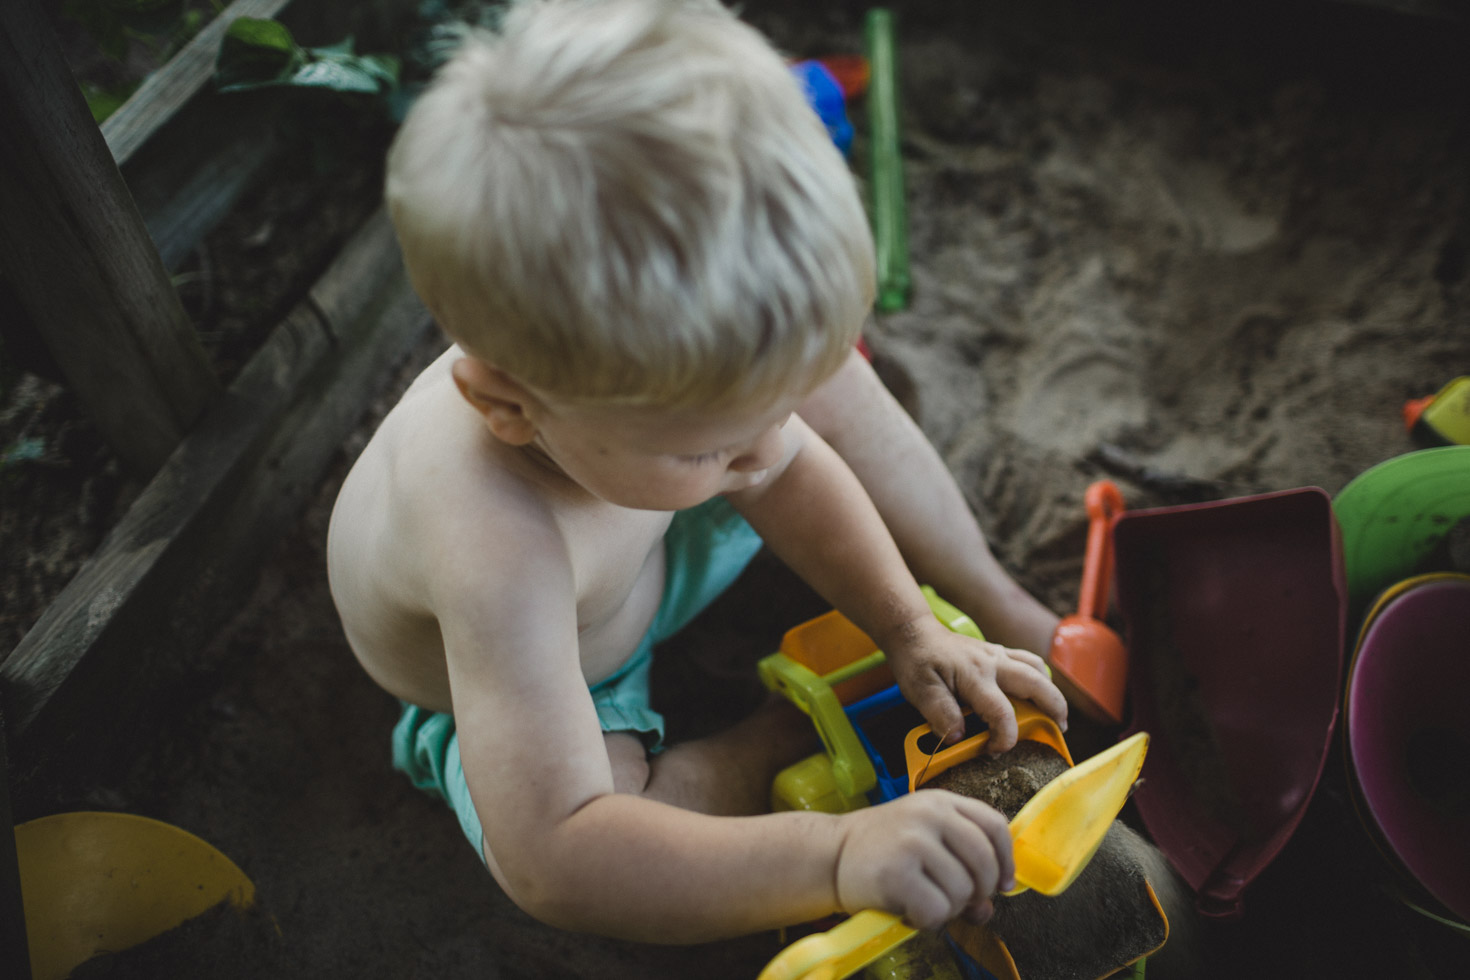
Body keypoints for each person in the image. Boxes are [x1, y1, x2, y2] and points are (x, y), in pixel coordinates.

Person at [327, 0, 1067, 942]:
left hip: (655, 521)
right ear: (508, 407)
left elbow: (780, 465)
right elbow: (557, 859)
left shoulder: (651, 420)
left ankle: (991, 596)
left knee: (814, 388)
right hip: (555, 669)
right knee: (631, 830)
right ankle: (766, 744)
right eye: (713, 440)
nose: (770, 448)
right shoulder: (491, 546)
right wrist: (837, 858)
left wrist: (909, 625)